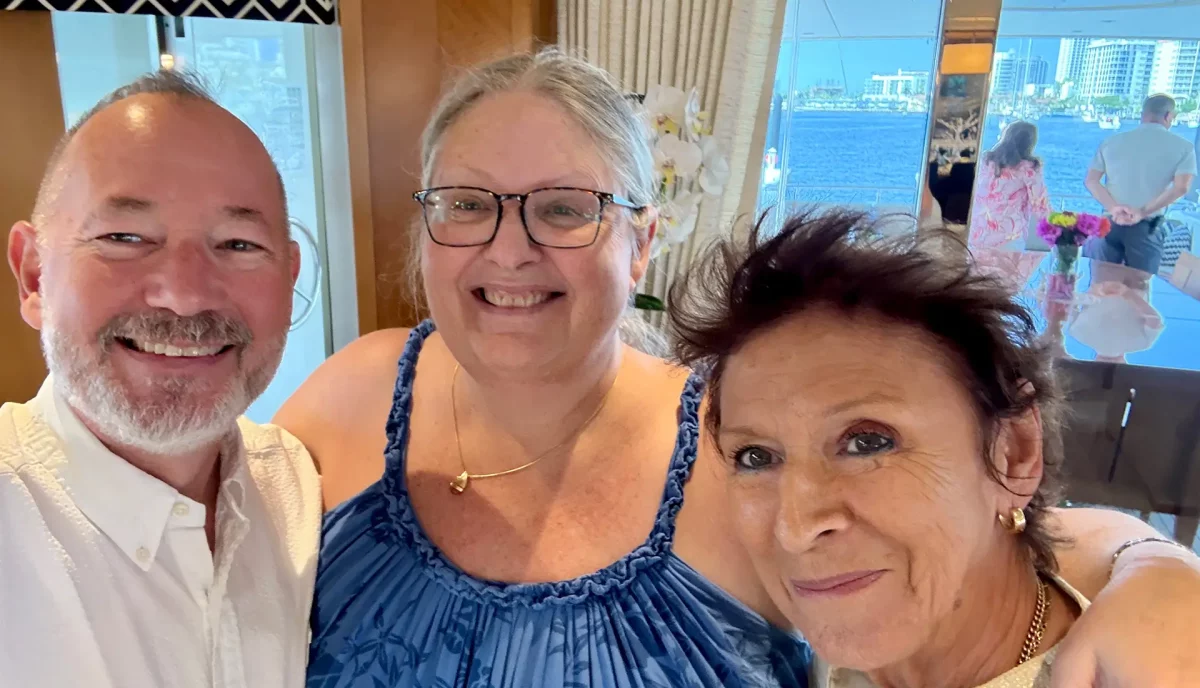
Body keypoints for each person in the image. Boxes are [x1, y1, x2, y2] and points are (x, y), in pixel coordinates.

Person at [280, 50, 1200, 688]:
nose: (509, 248)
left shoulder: (738, 441)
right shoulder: (351, 395)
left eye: (565, 210)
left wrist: (1156, 571)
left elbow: (972, 524)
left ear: (640, 244)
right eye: (469, 203)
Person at [670, 210, 1199, 687]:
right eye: (756, 457)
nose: (796, 524)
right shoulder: (794, 641)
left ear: (1013, 453)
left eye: (867, 441)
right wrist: (1152, 560)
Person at [1, 72, 321, 687]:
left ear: (289, 278)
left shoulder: (297, 489)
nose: (184, 294)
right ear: (35, 276)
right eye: (124, 238)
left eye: (238, 243)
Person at [1084, 94, 1198, 274]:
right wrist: (1141, 212)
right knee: (1138, 289)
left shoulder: (1111, 142)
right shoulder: (1184, 147)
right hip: (1146, 227)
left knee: (1101, 286)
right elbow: (1182, 187)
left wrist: (1114, 208)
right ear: (1168, 116)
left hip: (1108, 224)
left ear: (1143, 114)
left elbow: (1091, 181)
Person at [969, 121, 1050, 251]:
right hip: (1008, 234)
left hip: (977, 230)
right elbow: (1039, 203)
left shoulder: (987, 161)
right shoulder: (1028, 168)